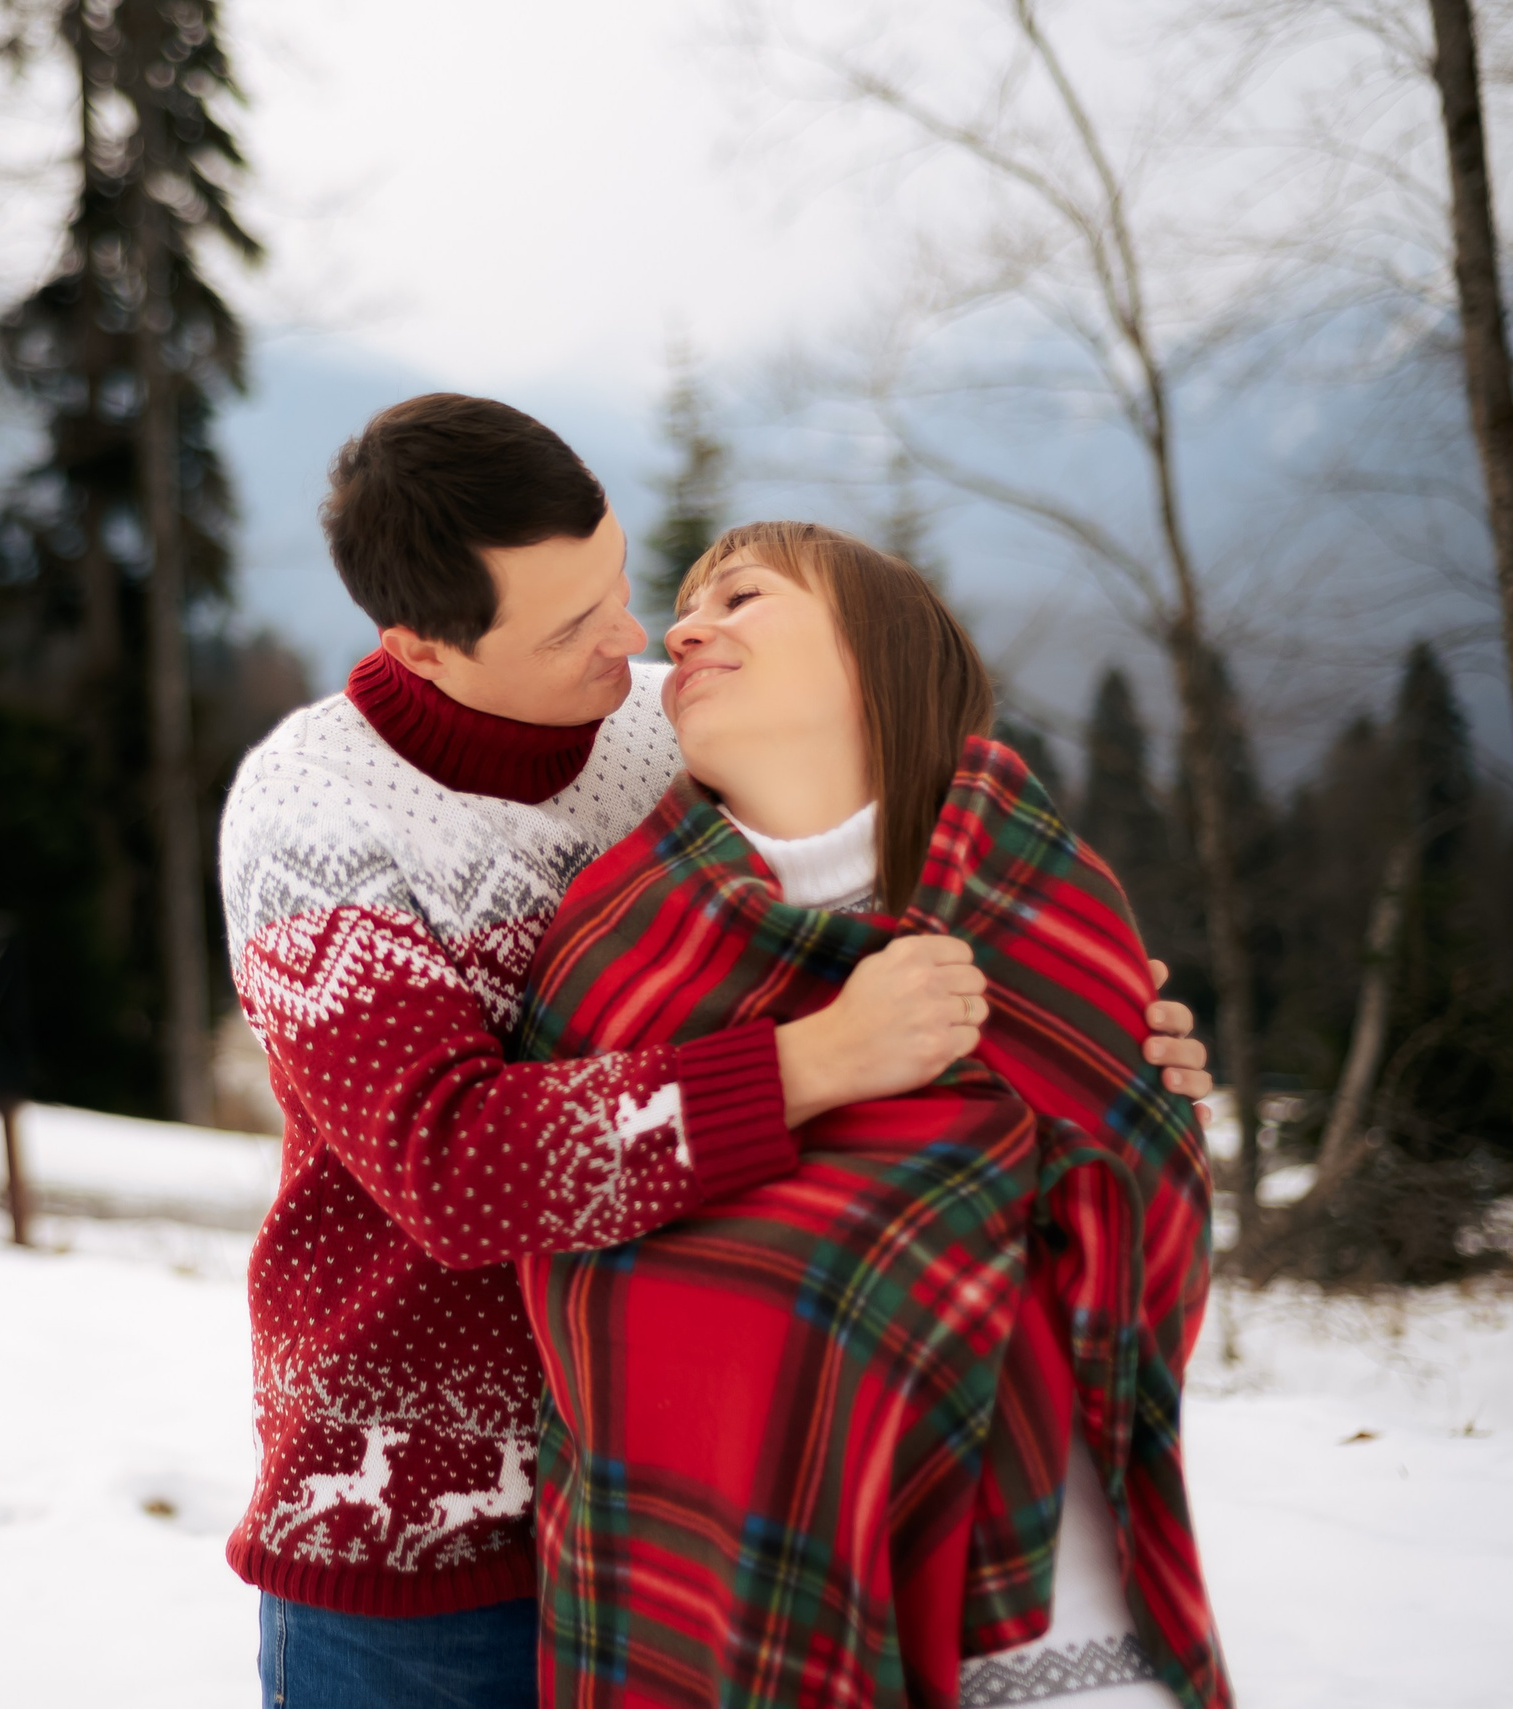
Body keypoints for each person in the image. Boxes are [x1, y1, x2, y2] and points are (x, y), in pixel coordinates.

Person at [216, 397, 1214, 1709]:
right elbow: (453, 1170)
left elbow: (869, 868)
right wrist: (813, 1064)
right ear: (420, 643)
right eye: (575, 627)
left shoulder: (664, 727)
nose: (633, 638)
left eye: (620, 583)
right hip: (420, 1552)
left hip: (678, 1511)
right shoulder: (313, 817)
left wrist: (1081, 1013)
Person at [513, 522, 1228, 1709]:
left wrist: (1119, 1068)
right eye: (688, 607)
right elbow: (552, 1224)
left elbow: (1143, 1257)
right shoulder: (612, 942)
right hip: (693, 1601)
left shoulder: (1044, 919)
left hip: (1048, 1622)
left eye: (741, 597)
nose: (686, 629)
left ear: (878, 658)